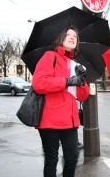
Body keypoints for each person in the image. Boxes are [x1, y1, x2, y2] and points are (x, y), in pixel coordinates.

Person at [32, 26, 89, 177]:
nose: (72, 37)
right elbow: (39, 84)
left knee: (72, 159)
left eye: (75, 36)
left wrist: (81, 81)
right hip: (50, 119)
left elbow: (82, 96)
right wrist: (67, 81)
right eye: (68, 34)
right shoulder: (50, 56)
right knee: (52, 160)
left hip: (69, 120)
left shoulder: (76, 64)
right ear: (61, 38)